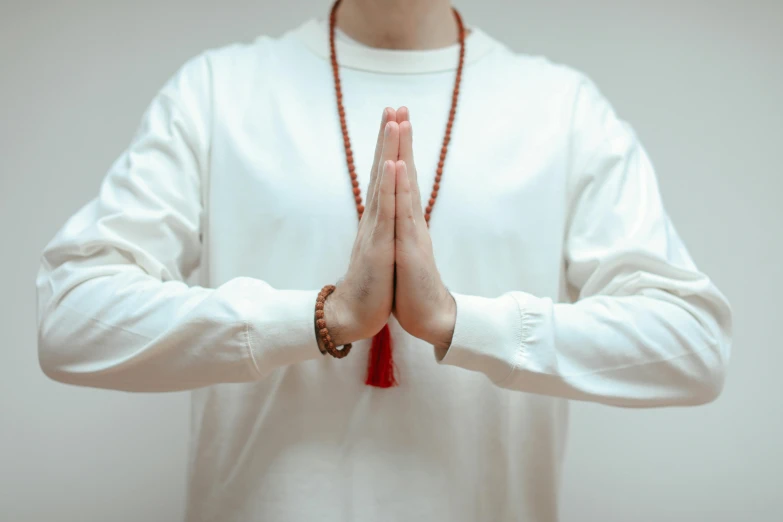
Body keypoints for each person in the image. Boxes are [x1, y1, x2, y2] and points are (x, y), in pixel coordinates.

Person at [35, 0, 732, 520]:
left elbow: (690, 343)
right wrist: (322, 316)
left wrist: (460, 324)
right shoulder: (217, 91)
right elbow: (72, 317)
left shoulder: (563, 109)